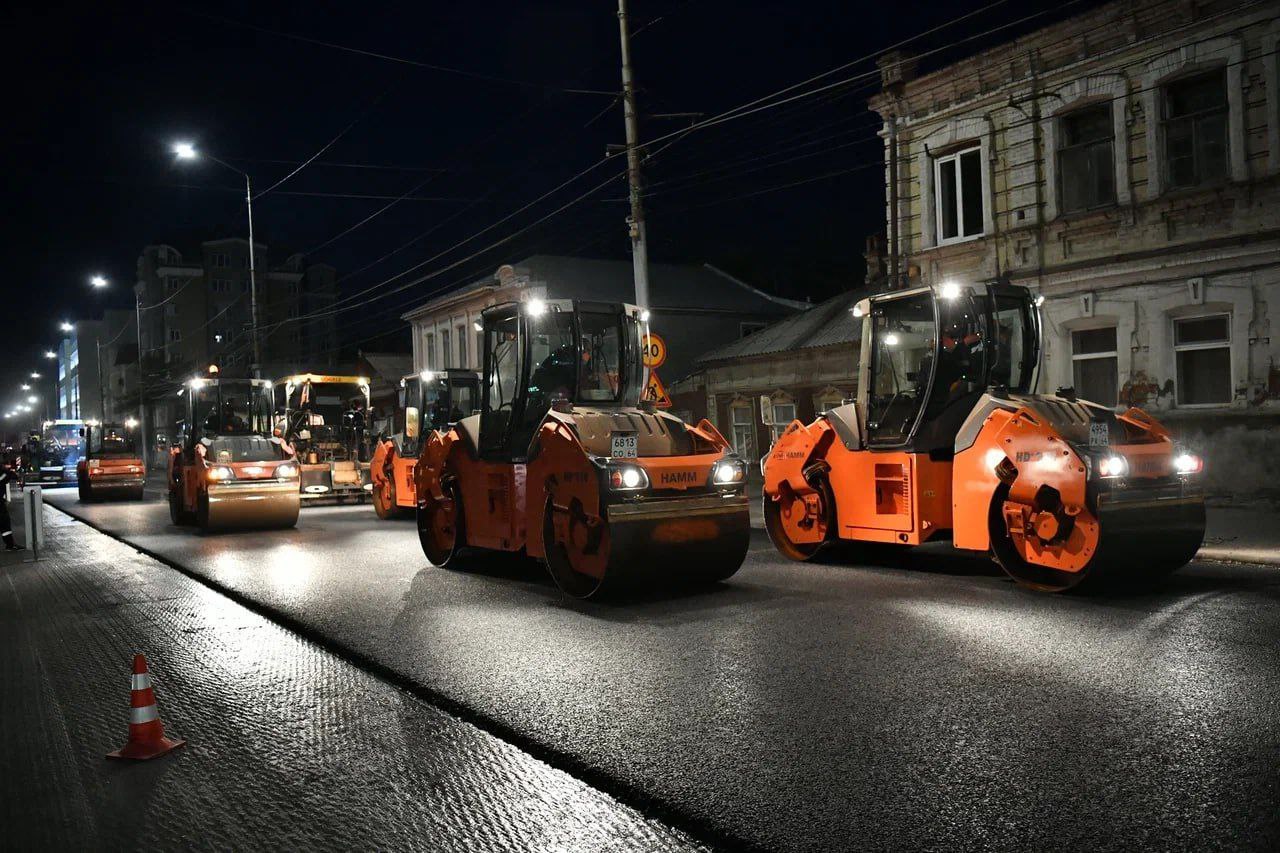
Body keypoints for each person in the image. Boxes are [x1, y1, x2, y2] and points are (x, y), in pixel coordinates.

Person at [1, 462, 21, 550]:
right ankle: (10, 545)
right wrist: (9, 472)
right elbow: (7, 476)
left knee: (4, 523)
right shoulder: (3, 473)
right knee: (4, 522)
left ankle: (10, 544)